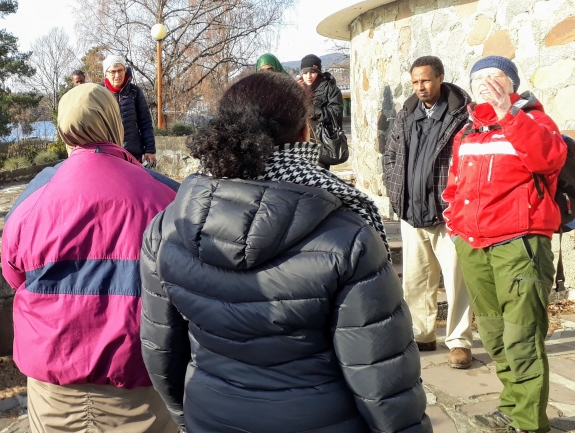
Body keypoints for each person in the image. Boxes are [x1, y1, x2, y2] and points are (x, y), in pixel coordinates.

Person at [140, 72, 431, 433]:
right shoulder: (350, 235)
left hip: (211, 414)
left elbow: (160, 349)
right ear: (304, 133)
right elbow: (383, 378)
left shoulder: (168, 226)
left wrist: (188, 416)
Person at [2, 83, 178, 433]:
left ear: (63, 128)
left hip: (54, 391)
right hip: (142, 389)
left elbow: (14, 275)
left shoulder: (34, 195)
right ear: (115, 124)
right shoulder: (167, 196)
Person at [443, 56, 567, 433]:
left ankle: (529, 424)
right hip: (474, 245)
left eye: (496, 76)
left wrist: (506, 113)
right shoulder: (466, 132)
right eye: (478, 77)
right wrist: (454, 224)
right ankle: (513, 406)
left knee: (522, 337)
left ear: (512, 84)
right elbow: (455, 186)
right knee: (495, 336)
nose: (486, 82)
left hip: (520, 245)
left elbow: (548, 158)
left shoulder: (535, 122)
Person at [382, 56, 475, 368]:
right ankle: (421, 334)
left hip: (449, 215)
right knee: (417, 280)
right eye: (414, 82)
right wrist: (397, 195)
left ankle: (459, 342)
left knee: (456, 280)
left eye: (425, 80)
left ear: (440, 78)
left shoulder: (462, 116)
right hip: (412, 213)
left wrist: (461, 204)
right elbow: (391, 156)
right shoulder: (406, 115)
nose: (419, 87)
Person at [102, 55, 156, 165]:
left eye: (120, 70)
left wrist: (150, 149)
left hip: (133, 154)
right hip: (107, 154)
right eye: (113, 72)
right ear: (106, 74)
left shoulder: (135, 92)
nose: (117, 75)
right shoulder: (99, 94)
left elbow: (145, 122)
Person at [298, 54, 344, 169]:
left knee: (318, 179)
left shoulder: (330, 89)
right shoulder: (297, 89)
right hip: (300, 143)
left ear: (318, 72)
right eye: (305, 73)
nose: (308, 76)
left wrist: (314, 111)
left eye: (312, 72)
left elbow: (336, 111)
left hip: (321, 142)